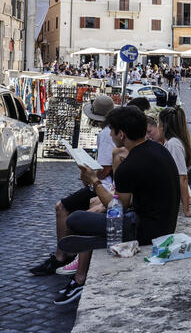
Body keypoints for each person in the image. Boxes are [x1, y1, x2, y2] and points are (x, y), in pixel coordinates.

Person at [54, 106, 180, 305]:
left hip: (145, 230)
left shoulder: (130, 165)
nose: (110, 135)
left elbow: (117, 209)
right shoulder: (156, 149)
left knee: (76, 218)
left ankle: (81, 273)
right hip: (165, 223)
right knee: (95, 212)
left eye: (111, 131)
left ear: (121, 134)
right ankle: (94, 248)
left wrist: (95, 182)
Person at [29, 95, 116, 278]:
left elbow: (106, 168)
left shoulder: (106, 134)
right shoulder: (110, 132)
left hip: (103, 186)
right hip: (104, 184)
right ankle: (66, 253)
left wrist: (89, 177)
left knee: (61, 207)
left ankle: (62, 255)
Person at [158, 106, 191, 218]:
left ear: (163, 126)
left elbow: (182, 177)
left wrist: (187, 210)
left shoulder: (173, 145)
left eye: (159, 123)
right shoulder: (174, 142)